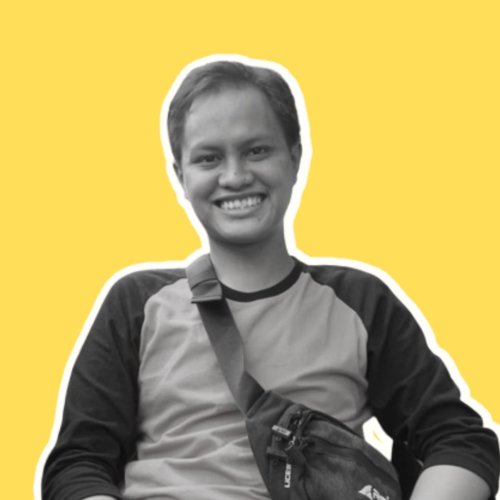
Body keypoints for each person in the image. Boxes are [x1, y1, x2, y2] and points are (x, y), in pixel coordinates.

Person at [40, 56, 499, 500]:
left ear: (294, 158)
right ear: (181, 176)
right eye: (208, 159)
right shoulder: (135, 304)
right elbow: (78, 464)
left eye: (256, 151)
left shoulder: (361, 301)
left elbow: (459, 440)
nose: (235, 176)